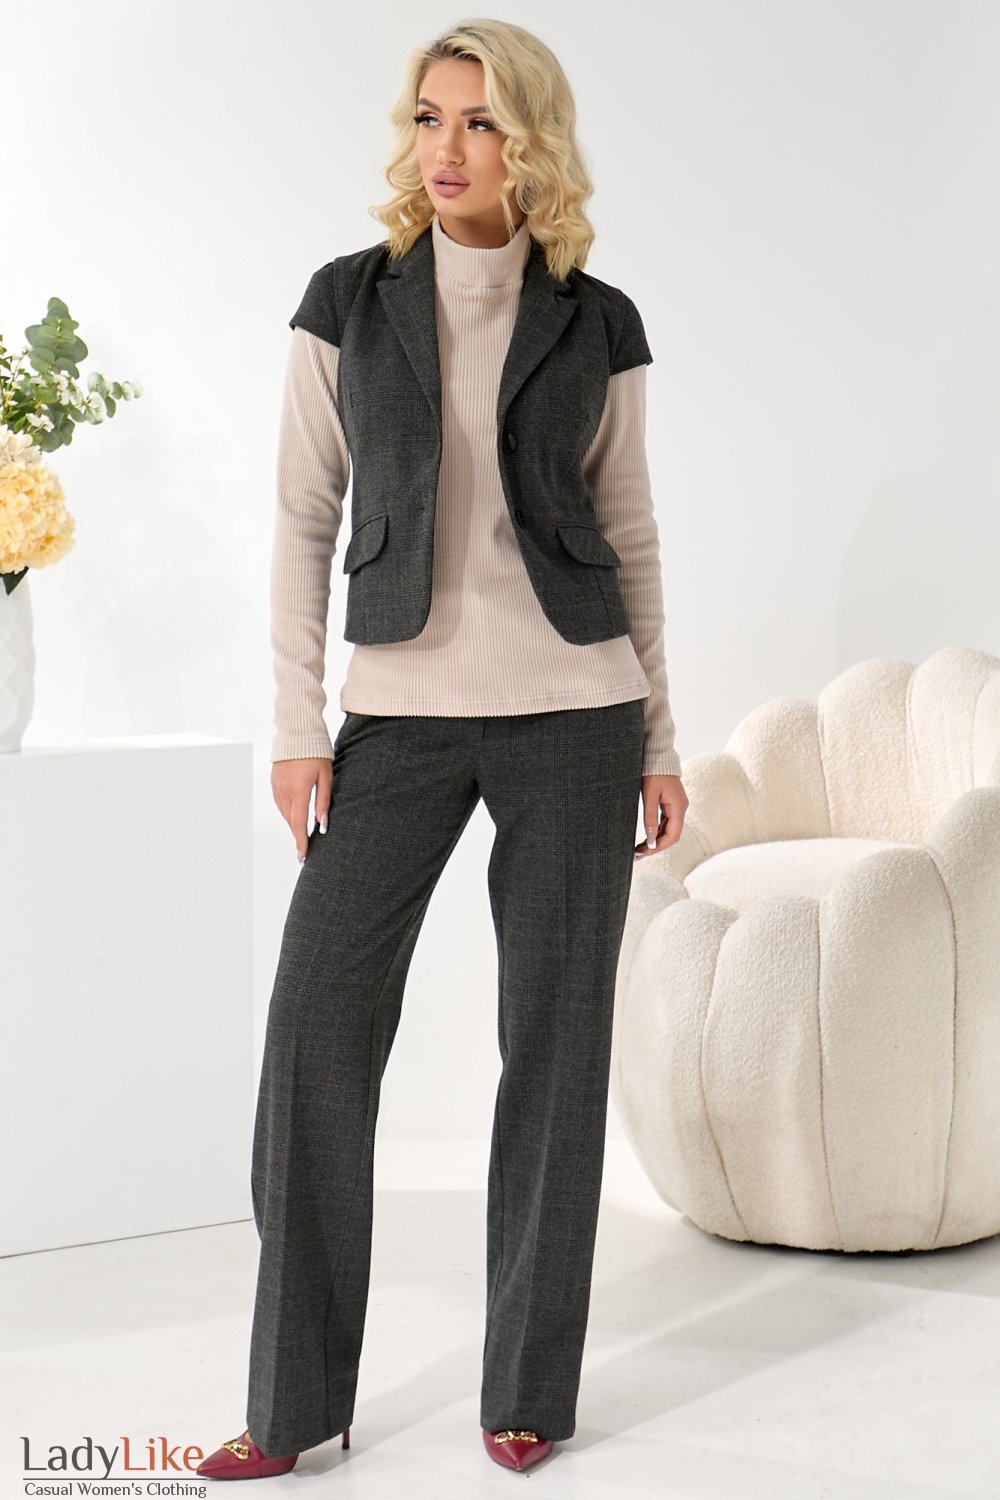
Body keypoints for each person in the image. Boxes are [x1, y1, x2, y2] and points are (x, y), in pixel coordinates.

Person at [197, 16, 688, 1483]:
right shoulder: (348, 301)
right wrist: (298, 725)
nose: (448, 149)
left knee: (555, 1047)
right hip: (398, 716)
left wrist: (660, 736)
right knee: (315, 1032)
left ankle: (525, 1387)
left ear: (530, 142)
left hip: (578, 716)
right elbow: (302, 518)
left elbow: (631, 530)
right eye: (428, 118)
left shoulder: (597, 319)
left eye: (479, 123)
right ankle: (293, 1407)